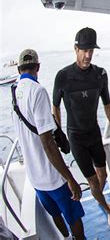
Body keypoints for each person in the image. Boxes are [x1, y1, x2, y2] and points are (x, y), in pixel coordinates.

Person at [52, 27, 110, 230]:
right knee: (92, 182)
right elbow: (55, 106)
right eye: (84, 50)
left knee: (103, 176)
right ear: (75, 49)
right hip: (76, 138)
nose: (88, 54)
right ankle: (108, 211)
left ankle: (99, 199)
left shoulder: (100, 74)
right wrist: (59, 134)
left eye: (91, 49)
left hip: (94, 134)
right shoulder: (63, 76)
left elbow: (108, 105)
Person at [12, 49, 85, 239]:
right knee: (74, 216)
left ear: (19, 69)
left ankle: (67, 238)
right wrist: (69, 178)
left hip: (35, 176)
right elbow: (48, 143)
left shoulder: (14, 93)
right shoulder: (38, 91)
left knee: (55, 213)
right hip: (52, 176)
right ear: (38, 67)